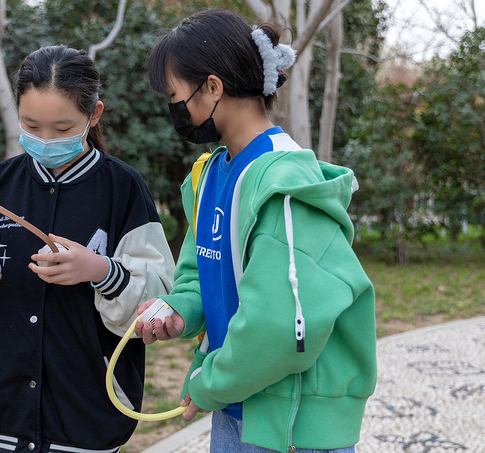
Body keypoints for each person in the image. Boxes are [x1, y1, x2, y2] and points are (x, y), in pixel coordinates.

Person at [0, 45, 175, 453]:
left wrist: (101, 271)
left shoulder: (123, 189)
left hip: (85, 418)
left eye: (62, 129)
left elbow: (158, 297)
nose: (45, 140)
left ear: (94, 115)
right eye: (31, 125)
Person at [134, 9, 377, 453]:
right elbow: (198, 275)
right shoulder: (209, 176)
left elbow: (283, 329)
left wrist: (211, 383)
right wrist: (176, 310)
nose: (174, 110)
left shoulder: (284, 183)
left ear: (212, 87)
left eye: (175, 96)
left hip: (294, 426)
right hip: (236, 410)